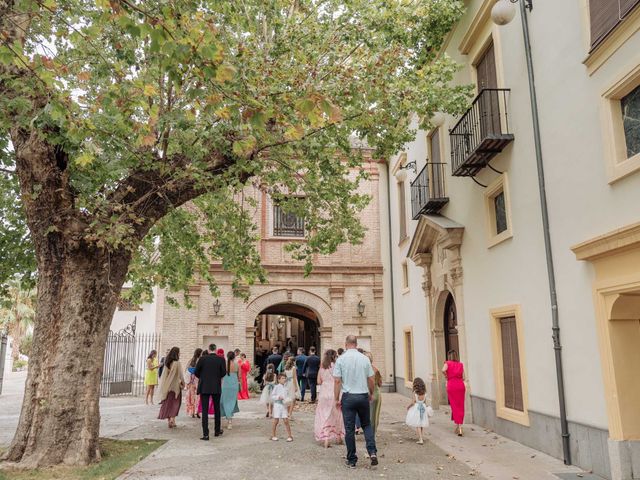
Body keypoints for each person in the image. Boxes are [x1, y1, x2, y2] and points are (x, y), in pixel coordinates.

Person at [334, 335, 378, 469]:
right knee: (366, 424)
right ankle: (372, 452)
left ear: (346, 344)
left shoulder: (341, 359)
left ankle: (352, 459)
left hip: (348, 397)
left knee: (349, 428)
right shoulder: (364, 359)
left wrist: (336, 398)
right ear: (356, 343)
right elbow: (371, 379)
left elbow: (337, 381)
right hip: (363, 395)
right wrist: (370, 393)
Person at [195, 344, 226, 440]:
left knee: (204, 410)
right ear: (215, 350)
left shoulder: (202, 359)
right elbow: (223, 373)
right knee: (217, 409)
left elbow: (196, 372)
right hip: (216, 386)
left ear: (208, 350)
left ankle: (206, 434)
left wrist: (203, 377)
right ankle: (217, 431)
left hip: (204, 386)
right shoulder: (221, 359)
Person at [314, 349, 344, 448]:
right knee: (337, 414)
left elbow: (318, 381)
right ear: (334, 357)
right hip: (334, 392)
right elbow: (339, 380)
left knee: (324, 415)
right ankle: (338, 437)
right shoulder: (337, 366)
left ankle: (326, 437)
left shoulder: (322, 367)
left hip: (324, 393)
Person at [356, 351, 383, 436]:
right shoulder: (375, 370)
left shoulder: (360, 370)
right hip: (374, 394)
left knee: (364, 415)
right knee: (373, 416)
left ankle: (367, 431)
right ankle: (371, 433)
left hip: (363, 394)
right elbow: (380, 384)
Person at [158, 346, 184, 428]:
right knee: (175, 403)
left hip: (167, 386)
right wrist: (183, 382)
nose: (180, 353)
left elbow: (164, 376)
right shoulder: (177, 363)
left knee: (168, 403)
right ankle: (173, 419)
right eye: (179, 352)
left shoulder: (167, 363)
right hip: (176, 386)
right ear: (177, 353)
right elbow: (180, 375)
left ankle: (169, 420)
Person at [443, 349, 466, 436]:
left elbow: (443, 370)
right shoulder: (460, 364)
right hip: (460, 386)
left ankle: (459, 427)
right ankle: (459, 426)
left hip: (452, 385)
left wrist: (447, 376)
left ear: (449, 356)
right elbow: (464, 377)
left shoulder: (447, 363)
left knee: (454, 406)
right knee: (460, 406)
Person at [406, 377, 430, 445]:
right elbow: (425, 402)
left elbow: (413, 402)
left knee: (418, 424)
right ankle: (421, 437)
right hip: (423, 408)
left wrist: (408, 407)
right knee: (421, 424)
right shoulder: (425, 393)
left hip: (416, 408)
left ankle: (420, 439)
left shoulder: (415, 392)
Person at [270, 373, 293, 442]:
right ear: (279, 380)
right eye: (282, 378)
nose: (284, 379)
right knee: (276, 421)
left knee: (286, 420)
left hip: (284, 405)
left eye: (285, 378)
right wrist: (278, 397)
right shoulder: (276, 387)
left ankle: (290, 436)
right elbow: (272, 396)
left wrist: (288, 400)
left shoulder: (286, 388)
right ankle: (273, 435)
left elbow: (287, 396)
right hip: (277, 405)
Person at [220, 350, 240, 429]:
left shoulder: (224, 364)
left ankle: (226, 417)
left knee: (224, 401)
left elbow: (220, 375)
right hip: (234, 384)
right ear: (234, 357)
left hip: (225, 384)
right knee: (232, 401)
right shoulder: (237, 365)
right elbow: (240, 376)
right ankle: (229, 421)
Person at [185, 348, 203, 418]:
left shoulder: (191, 360)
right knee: (198, 396)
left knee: (191, 396)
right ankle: (197, 412)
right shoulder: (201, 360)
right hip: (198, 380)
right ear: (199, 353)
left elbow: (186, 370)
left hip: (191, 381)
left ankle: (192, 412)